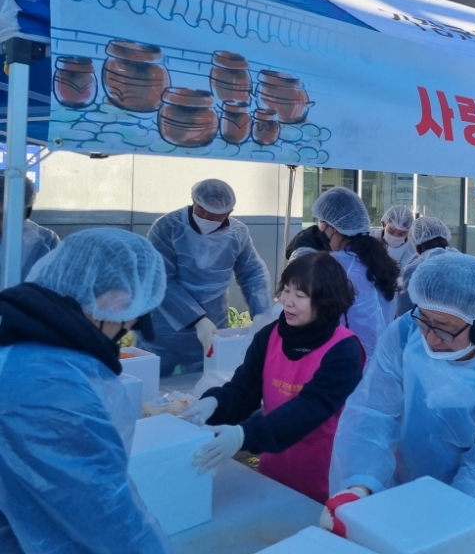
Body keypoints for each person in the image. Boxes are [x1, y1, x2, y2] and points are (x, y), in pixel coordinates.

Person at [325, 253, 475, 554]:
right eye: (424, 320)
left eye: (445, 327)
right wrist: (360, 484)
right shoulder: (403, 335)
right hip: (405, 486)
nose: (430, 338)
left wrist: (444, 528)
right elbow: (372, 414)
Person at [0, 229, 169, 553]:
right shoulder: (50, 385)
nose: (127, 331)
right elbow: (110, 519)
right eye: (129, 320)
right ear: (115, 300)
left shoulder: (23, 342)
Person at [182, 252, 364, 503]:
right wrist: (213, 403)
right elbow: (245, 389)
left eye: (300, 295)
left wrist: (243, 435)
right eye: (286, 290)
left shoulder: (344, 350)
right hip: (273, 463)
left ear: (326, 301)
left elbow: (309, 408)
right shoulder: (270, 336)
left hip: (321, 473)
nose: (288, 301)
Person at [142, 180, 273, 376]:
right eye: (201, 210)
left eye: (214, 216)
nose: (205, 217)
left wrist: (262, 313)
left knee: (206, 385)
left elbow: (252, 273)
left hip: (214, 329)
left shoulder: (237, 233)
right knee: (153, 390)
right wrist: (197, 319)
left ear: (229, 213)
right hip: (164, 331)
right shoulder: (167, 227)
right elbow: (161, 279)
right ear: (193, 201)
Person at [311, 187, 400, 360]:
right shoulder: (380, 263)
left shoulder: (333, 266)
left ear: (334, 227)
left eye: (322, 222)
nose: (320, 228)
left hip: (341, 365)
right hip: (378, 367)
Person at [0, 177, 60, 284]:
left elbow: (58, 284)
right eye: (1, 215)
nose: (4, 220)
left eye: (13, 213)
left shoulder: (45, 240)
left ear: (27, 210)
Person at [395, 216, 454, 317]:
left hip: (427, 328)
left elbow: (405, 313)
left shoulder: (415, 269)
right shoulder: (463, 261)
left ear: (416, 241)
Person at [371, 206, 416, 270]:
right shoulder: (371, 238)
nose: (395, 236)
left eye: (401, 234)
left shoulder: (413, 249)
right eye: (391, 231)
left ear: (409, 231)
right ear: (384, 225)